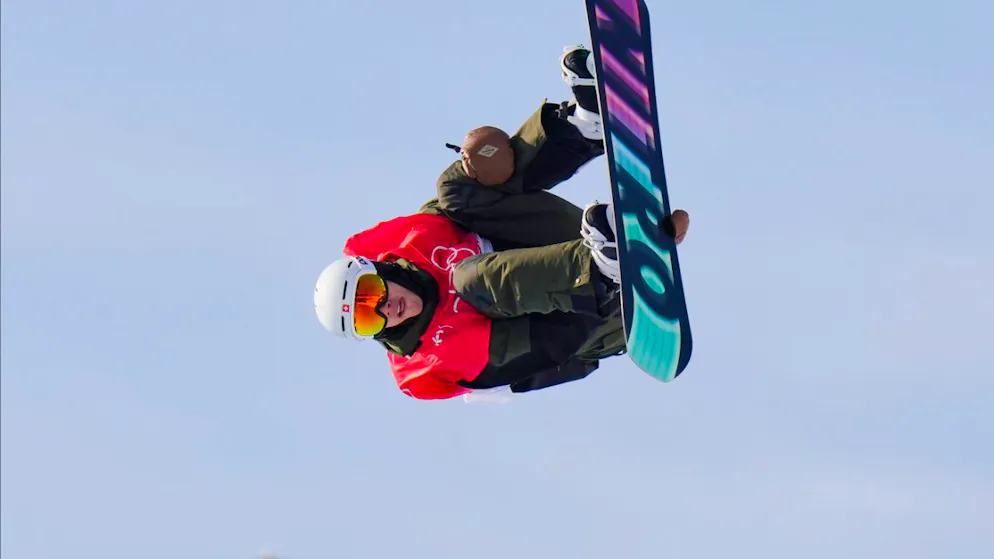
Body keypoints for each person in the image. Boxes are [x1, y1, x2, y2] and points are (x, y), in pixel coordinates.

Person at [313, 44, 690, 401]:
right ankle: (601, 269)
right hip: (590, 317)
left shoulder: (414, 241)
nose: (383, 310)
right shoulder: (438, 356)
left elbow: (471, 194)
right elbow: (551, 346)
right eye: (366, 320)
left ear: (377, 268)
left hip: (567, 242)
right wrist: (604, 287)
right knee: (470, 280)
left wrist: (481, 162)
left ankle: (584, 127)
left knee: (454, 191)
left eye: (369, 295)